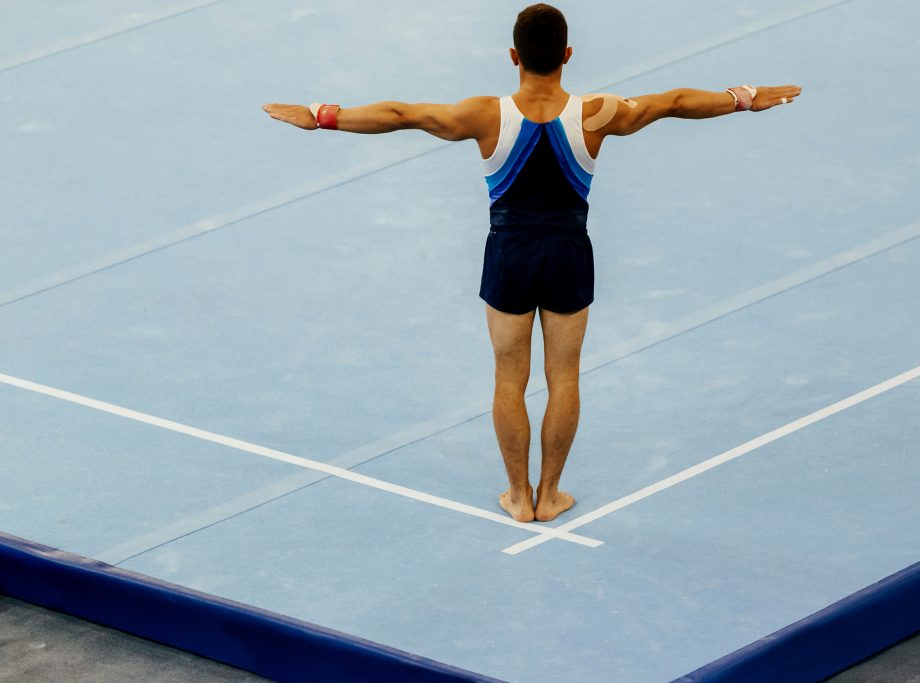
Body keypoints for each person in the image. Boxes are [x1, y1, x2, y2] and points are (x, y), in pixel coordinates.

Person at [262, 4, 801, 524]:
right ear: (566, 54)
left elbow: (404, 115)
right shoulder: (597, 113)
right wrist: (744, 97)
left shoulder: (485, 114)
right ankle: (551, 493)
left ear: (513, 57)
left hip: (510, 256)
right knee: (563, 376)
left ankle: (519, 497)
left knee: (509, 378)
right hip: (568, 253)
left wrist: (321, 116)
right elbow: (675, 101)